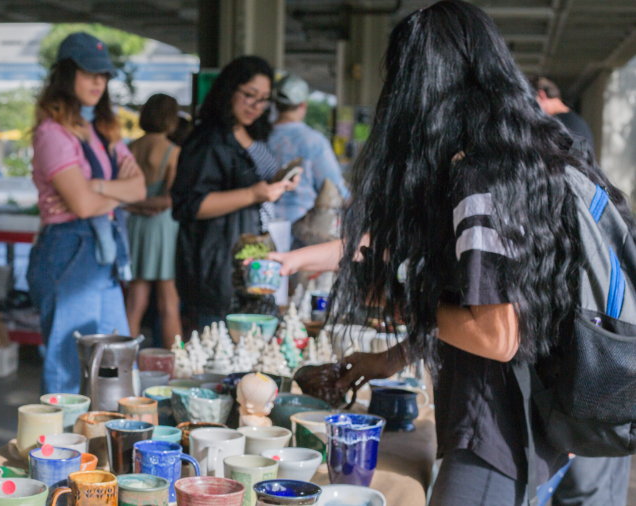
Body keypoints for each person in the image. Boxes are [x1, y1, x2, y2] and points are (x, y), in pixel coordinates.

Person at [268, 2, 635, 504]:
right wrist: (391, 358)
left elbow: (496, 332)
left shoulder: (478, 180)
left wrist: (407, 304)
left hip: (494, 440)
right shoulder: (527, 160)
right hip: (527, 428)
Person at [26, 32, 146, 394]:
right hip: (68, 252)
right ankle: (60, 450)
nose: (99, 82)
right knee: (68, 367)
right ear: (66, 75)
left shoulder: (103, 129)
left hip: (103, 251)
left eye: (104, 75)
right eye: (89, 73)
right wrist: (109, 193)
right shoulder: (52, 134)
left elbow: (140, 188)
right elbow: (81, 206)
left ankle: (102, 449)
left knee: (116, 362)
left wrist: (96, 186)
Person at [532, 80, 629, 506]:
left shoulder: (577, 203)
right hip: (592, 374)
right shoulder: (596, 202)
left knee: (587, 493)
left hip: (601, 373)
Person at [170, 56, 300, 331]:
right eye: (250, 95)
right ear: (229, 90)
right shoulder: (208, 140)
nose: (257, 106)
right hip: (218, 262)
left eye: (264, 99)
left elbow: (253, 184)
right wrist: (253, 194)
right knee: (219, 348)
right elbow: (189, 205)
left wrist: (279, 183)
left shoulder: (251, 132)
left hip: (251, 254)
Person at [125, 93, 183, 348]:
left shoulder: (130, 149)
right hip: (162, 227)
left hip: (134, 224)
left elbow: (122, 194)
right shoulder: (173, 152)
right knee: (168, 301)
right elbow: (170, 200)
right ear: (171, 120)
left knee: (135, 300)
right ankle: (176, 364)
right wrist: (150, 204)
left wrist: (135, 204)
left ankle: (124, 365)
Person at [269, 74, 351, 225]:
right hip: (300, 229)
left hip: (262, 224)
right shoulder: (314, 141)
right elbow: (334, 187)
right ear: (303, 105)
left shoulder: (259, 137)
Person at [533, 76, 595, 150]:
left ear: (541, 95)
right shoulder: (574, 123)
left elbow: (578, 157)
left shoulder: (570, 124)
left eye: (532, 103)